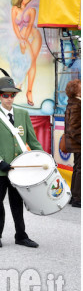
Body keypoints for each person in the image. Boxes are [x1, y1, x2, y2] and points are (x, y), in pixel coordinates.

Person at [0, 73, 43, 248]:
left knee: (17, 203)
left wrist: (44, 157)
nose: (9, 99)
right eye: (5, 95)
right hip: (1, 168)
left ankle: (21, 235)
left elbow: (32, 141)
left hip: (19, 169)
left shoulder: (23, 114)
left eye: (12, 95)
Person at [10, 0, 41, 106]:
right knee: (25, 61)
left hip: (34, 36)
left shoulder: (32, 10)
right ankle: (20, 83)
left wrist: (24, 41)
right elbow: (14, 26)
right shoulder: (14, 9)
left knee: (32, 62)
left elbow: (29, 26)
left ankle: (29, 91)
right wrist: (21, 41)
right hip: (22, 37)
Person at [64, 79, 81, 208]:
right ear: (76, 90)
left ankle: (74, 196)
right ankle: (77, 198)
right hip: (78, 143)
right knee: (79, 169)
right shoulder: (77, 104)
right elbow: (74, 128)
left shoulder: (72, 103)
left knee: (77, 169)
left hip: (75, 143)